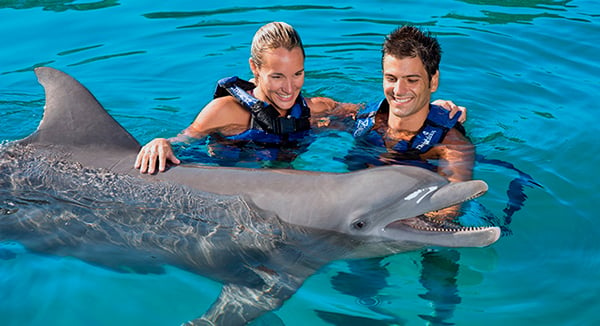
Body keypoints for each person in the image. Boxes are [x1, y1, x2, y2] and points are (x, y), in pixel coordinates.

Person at [134, 22, 465, 174]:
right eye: (277, 76)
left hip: (281, 192)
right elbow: (183, 142)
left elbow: (378, 112)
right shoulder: (224, 112)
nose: (289, 88)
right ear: (254, 69)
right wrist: (162, 142)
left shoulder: (315, 109)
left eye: (297, 74)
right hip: (228, 186)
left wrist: (438, 110)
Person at [351, 25, 473, 186]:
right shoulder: (362, 118)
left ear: (433, 81)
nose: (399, 91)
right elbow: (312, 111)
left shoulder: (451, 146)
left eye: (412, 80)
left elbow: (450, 207)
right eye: (391, 78)